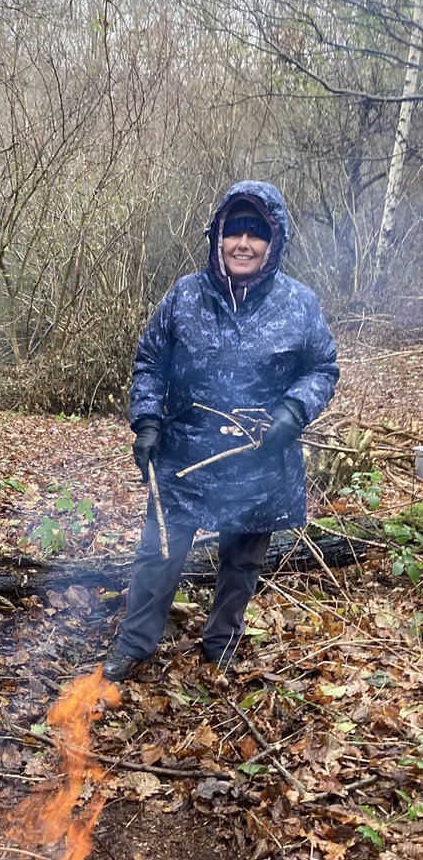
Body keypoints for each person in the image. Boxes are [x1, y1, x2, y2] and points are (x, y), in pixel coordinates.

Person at [103, 180, 339, 680]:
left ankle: (221, 643)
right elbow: (150, 361)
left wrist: (293, 413)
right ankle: (135, 643)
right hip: (187, 453)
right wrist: (147, 422)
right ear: (217, 237)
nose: (244, 244)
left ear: (274, 243)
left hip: (261, 454)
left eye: (256, 233)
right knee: (158, 554)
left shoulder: (299, 303)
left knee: (242, 562)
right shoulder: (185, 296)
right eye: (235, 231)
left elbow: (322, 368)